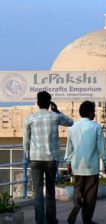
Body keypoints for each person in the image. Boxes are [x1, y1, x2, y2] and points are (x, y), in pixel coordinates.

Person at [23, 91, 73, 224]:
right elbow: (70, 122)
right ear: (50, 103)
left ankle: (40, 221)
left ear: (38, 103)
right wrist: (58, 111)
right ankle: (51, 220)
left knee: (38, 191)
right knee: (50, 190)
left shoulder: (30, 118)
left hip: (35, 159)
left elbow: (26, 141)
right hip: (51, 159)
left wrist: (27, 154)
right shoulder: (55, 117)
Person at [64, 101, 106, 224]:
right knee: (90, 196)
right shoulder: (96, 127)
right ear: (90, 112)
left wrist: (68, 163)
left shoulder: (72, 127)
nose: (95, 114)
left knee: (78, 190)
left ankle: (76, 205)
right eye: (94, 111)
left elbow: (70, 148)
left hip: (77, 166)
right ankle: (87, 219)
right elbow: (102, 148)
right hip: (92, 168)